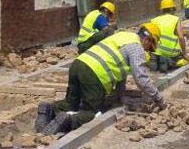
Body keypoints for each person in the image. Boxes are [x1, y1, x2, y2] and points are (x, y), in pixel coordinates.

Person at [35, 24, 166, 135]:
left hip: (78, 64)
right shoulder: (136, 48)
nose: (147, 50)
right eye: (150, 47)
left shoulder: (122, 36)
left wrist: (120, 98)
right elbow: (141, 78)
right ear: (148, 39)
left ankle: (49, 109)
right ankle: (68, 120)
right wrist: (158, 99)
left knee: (70, 103)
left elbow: (121, 75)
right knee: (92, 113)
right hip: (94, 74)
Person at [150, 0, 188, 71]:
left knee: (155, 54)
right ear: (171, 9)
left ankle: (155, 59)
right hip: (169, 51)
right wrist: (184, 53)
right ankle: (168, 61)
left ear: (162, 9)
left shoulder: (154, 20)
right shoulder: (176, 19)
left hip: (156, 50)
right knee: (179, 60)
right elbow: (181, 37)